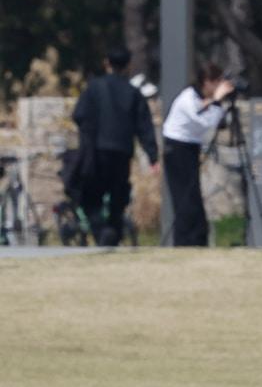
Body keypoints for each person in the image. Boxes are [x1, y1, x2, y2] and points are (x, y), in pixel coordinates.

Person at [70, 47, 159, 246]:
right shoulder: (133, 93)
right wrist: (152, 155)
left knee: (91, 196)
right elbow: (144, 126)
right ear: (128, 66)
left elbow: (79, 115)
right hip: (122, 151)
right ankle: (113, 233)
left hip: (97, 151)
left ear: (107, 63)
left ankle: (102, 231)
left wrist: (90, 132)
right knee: (118, 197)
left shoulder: (94, 88)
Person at [161, 62, 234, 246]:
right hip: (177, 148)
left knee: (193, 195)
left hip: (190, 147)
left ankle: (198, 238)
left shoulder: (202, 99)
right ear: (206, 82)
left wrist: (217, 102)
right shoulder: (188, 98)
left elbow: (218, 120)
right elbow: (207, 121)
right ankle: (186, 241)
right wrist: (217, 100)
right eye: (216, 82)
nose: (219, 87)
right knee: (185, 197)